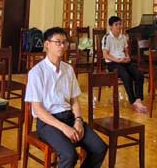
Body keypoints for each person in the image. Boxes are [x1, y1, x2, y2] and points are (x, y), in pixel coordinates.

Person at [25, 27, 107, 168]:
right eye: (58, 42)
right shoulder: (37, 72)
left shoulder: (68, 69)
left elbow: (74, 100)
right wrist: (64, 128)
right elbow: (38, 110)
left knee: (99, 148)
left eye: (64, 42)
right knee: (69, 155)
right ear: (47, 44)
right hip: (48, 123)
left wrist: (78, 120)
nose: (62, 46)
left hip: (69, 118)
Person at [102, 15, 147, 113]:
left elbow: (126, 50)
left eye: (120, 24)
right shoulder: (107, 38)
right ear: (111, 26)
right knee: (127, 77)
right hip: (113, 63)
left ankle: (138, 99)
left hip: (124, 61)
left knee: (139, 75)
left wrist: (127, 56)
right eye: (116, 24)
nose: (119, 26)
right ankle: (133, 101)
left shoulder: (123, 37)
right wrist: (118, 60)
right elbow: (105, 55)